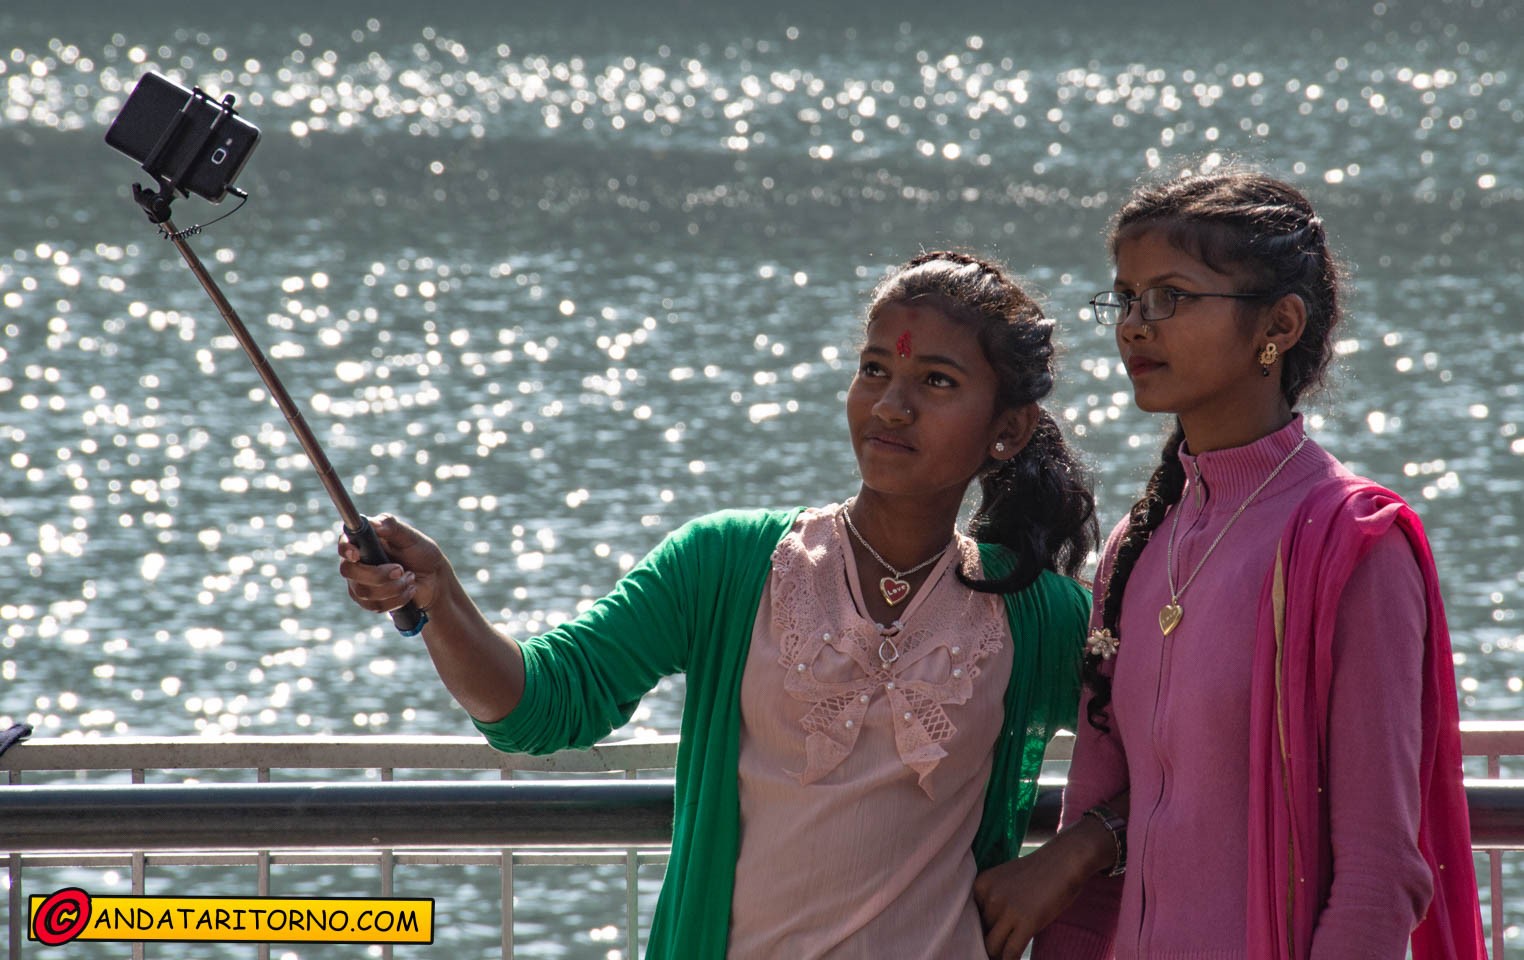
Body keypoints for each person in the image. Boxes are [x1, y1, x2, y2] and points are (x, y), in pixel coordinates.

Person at [336, 250, 1100, 958]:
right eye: (874, 370)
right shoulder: (728, 564)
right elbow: (543, 707)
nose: (891, 405)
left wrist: (1073, 855)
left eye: (936, 381)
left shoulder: (1033, 614)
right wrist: (442, 598)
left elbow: (1186, 760)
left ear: (1007, 431)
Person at [974, 165, 1487, 959]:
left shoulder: (1352, 545)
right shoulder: (1140, 543)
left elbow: (1380, 874)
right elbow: (1119, 797)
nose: (1135, 326)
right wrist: (1087, 844)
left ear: (1277, 325)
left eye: (1171, 297)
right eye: (1127, 297)